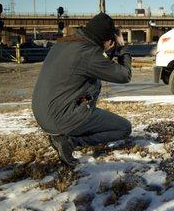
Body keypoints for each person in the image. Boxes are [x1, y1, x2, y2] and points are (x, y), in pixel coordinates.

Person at [31, 12, 132, 168]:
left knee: (90, 85)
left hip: (42, 112)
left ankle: (65, 133)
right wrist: (123, 49)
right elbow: (124, 76)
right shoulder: (89, 54)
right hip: (61, 118)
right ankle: (70, 142)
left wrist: (106, 50)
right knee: (124, 128)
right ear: (106, 39)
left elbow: (94, 66)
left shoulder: (66, 40)